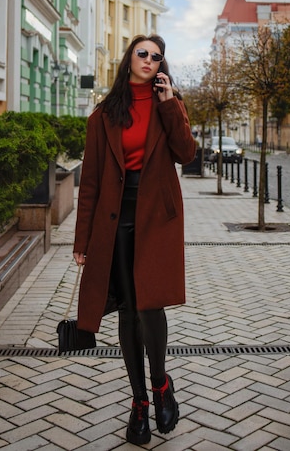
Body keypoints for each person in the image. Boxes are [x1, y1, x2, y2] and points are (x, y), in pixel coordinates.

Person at [73, 35, 196, 445]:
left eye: (156, 56)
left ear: (162, 65)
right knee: (127, 309)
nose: (149, 60)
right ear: (129, 59)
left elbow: (186, 153)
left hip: (154, 218)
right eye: (142, 53)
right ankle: (139, 401)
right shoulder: (103, 115)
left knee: (149, 306)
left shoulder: (168, 105)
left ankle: (161, 384)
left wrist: (169, 104)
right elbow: (89, 183)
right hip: (115, 218)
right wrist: (82, 240)